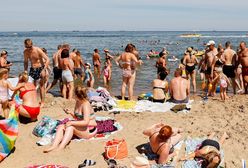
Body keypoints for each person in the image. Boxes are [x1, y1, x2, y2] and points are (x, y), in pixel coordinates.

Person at [43, 86, 97, 153]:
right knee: (61, 126)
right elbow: (79, 118)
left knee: (70, 127)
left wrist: (71, 123)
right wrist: (71, 113)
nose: (73, 95)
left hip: (90, 129)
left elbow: (86, 122)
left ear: (77, 95)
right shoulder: (78, 102)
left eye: (74, 94)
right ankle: (54, 146)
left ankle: (61, 147)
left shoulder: (85, 104)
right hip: (82, 127)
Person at [23, 39, 50, 107]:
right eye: (27, 47)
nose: (29, 48)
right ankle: (34, 101)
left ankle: (42, 102)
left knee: (41, 86)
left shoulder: (37, 50)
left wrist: (44, 69)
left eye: (30, 47)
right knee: (32, 86)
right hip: (32, 69)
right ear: (25, 45)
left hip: (40, 68)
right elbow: (26, 62)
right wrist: (25, 70)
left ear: (32, 44)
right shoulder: (25, 52)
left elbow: (47, 59)